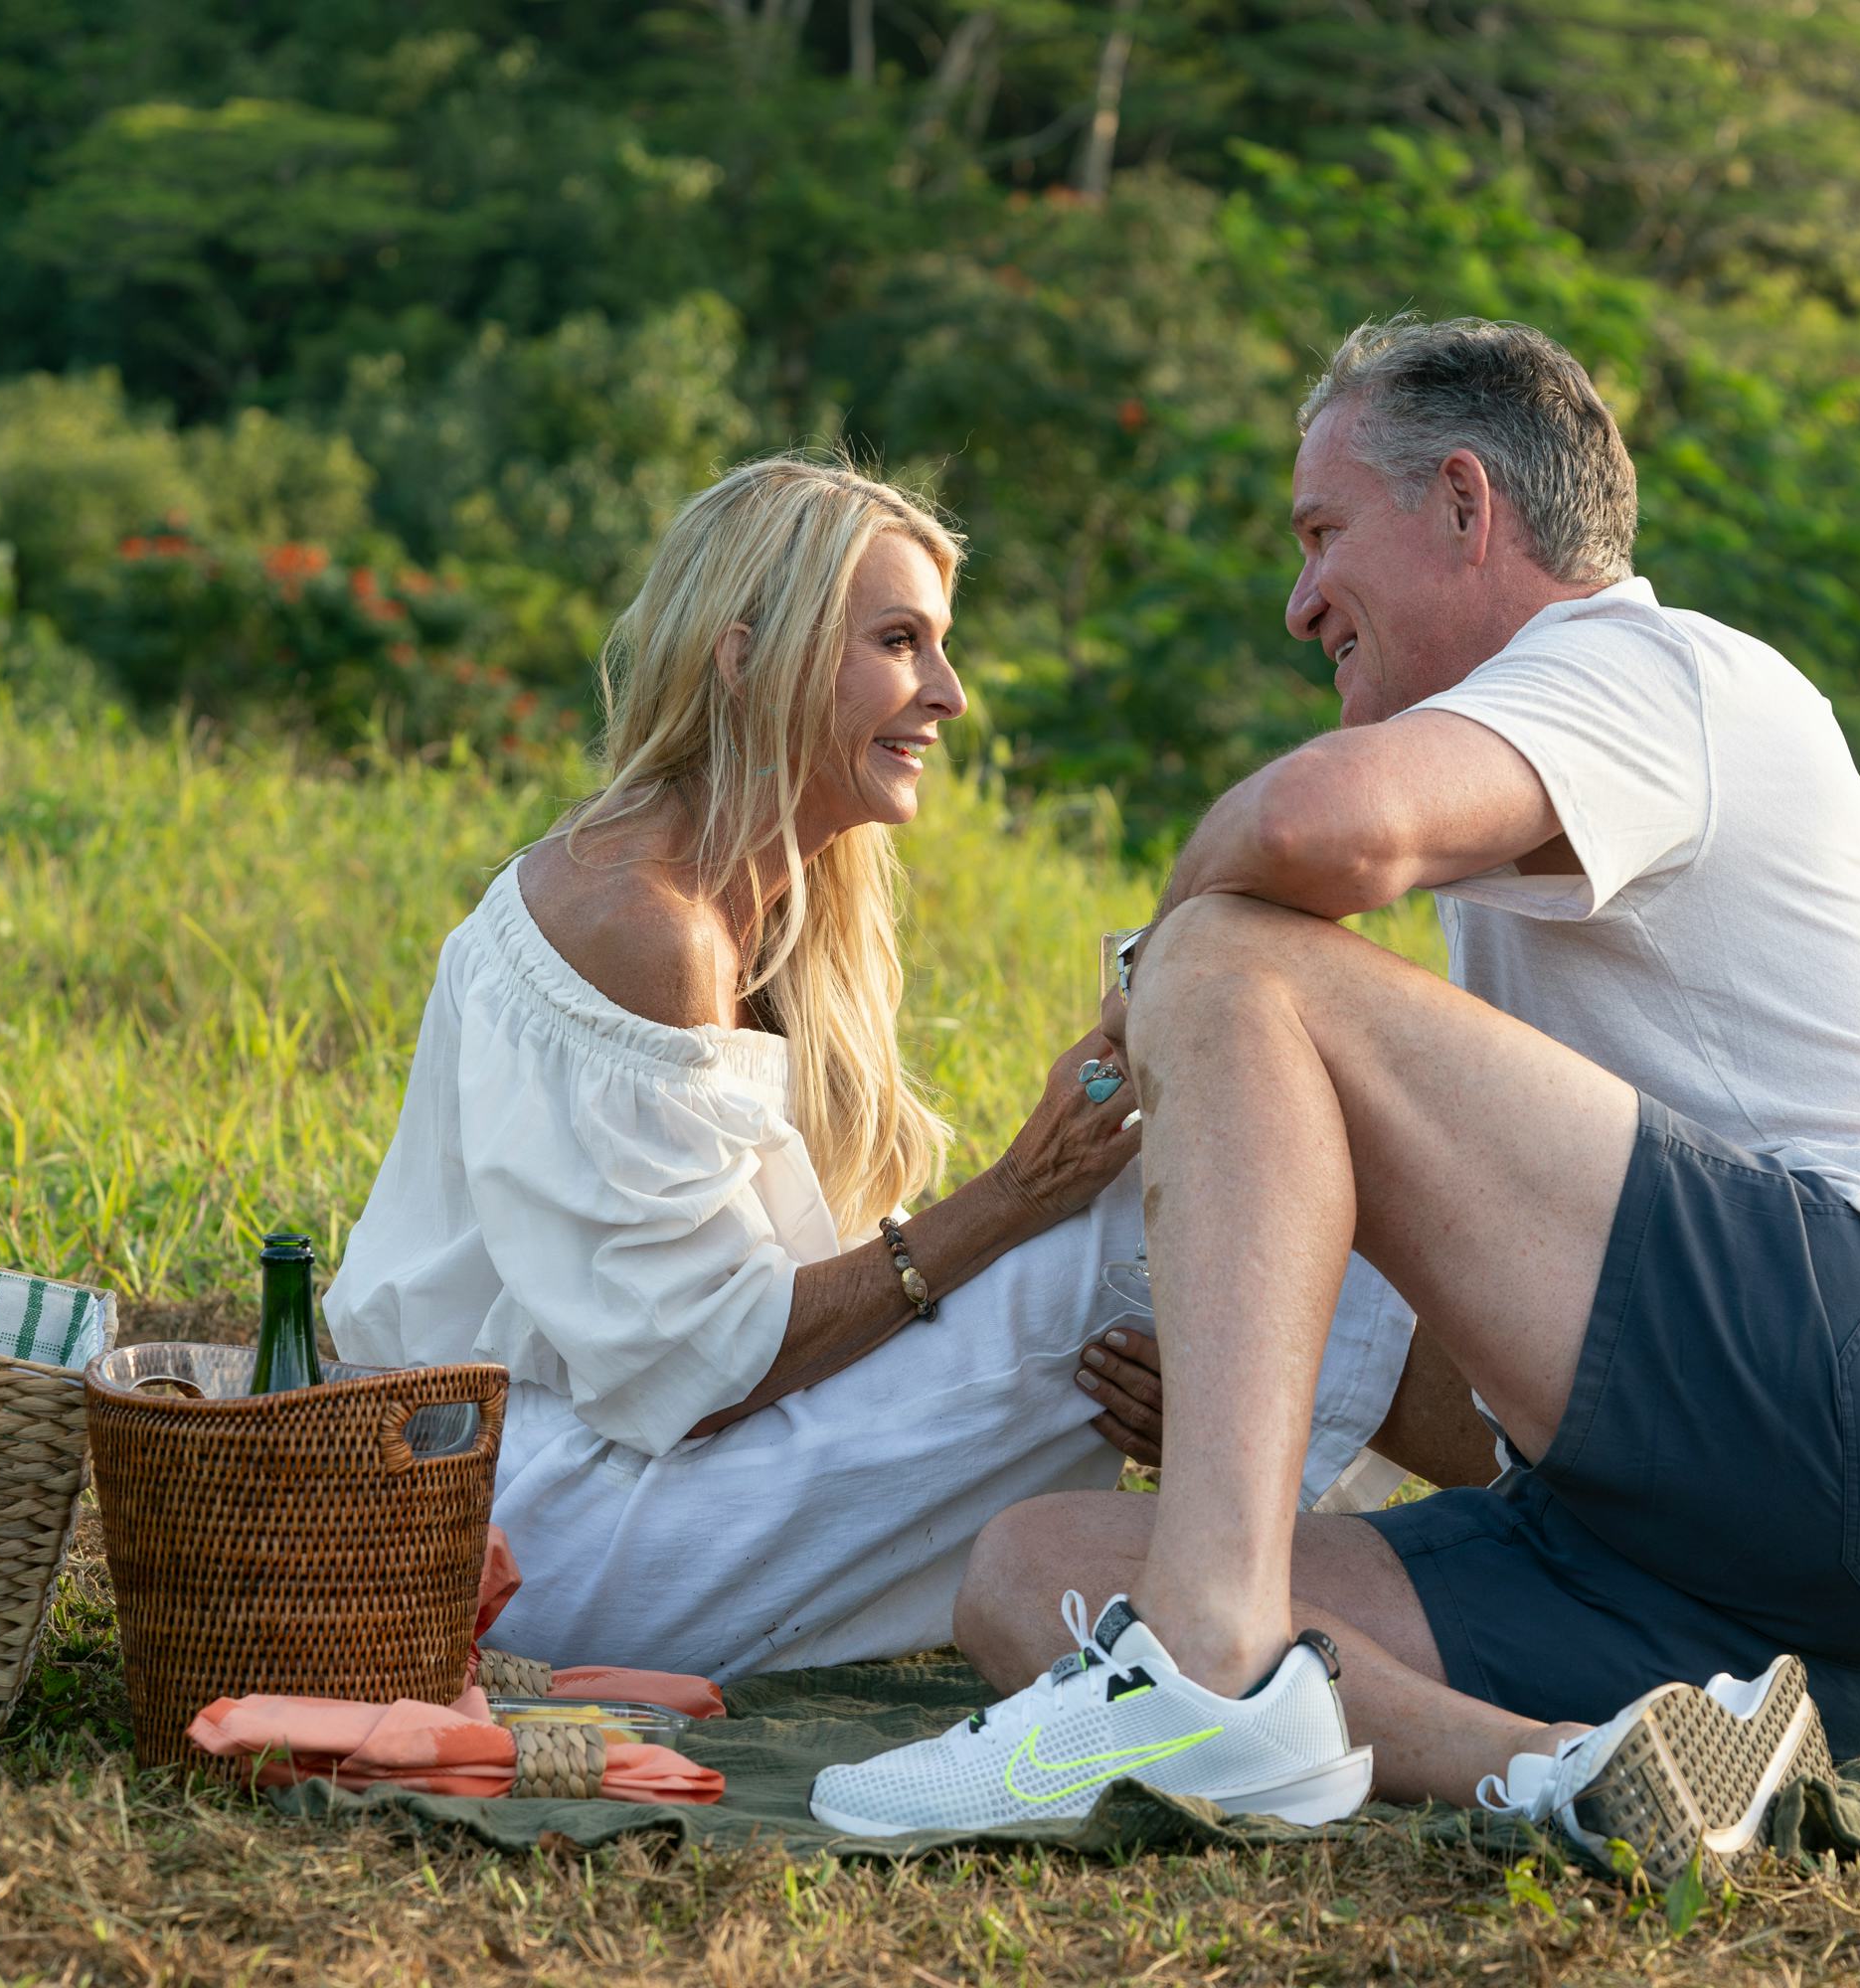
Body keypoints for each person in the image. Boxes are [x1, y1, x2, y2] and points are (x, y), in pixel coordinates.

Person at [810, 319, 1860, 1882]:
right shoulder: (1548, 802)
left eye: (1325, 535)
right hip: (1770, 1606)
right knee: (1034, 1572)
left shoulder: (1653, 667)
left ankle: (1204, 1668)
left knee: (1230, 961)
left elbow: (1319, 829)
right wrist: (1230, 1398)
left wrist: (1152, 978)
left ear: (1468, 507)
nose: (1301, 601)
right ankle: (1588, 1779)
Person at [322, 453, 1417, 1680]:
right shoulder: (641, 917)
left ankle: (1436, 1509)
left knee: (1178, 1197)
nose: (947, 693)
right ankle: (1548, 1519)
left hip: (610, 1469)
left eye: (938, 645)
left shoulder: (782, 901)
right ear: (746, 660)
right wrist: (1016, 1193)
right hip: (518, 1523)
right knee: (1134, 1223)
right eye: (900, 642)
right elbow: (700, 1370)